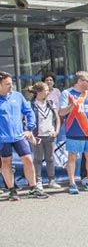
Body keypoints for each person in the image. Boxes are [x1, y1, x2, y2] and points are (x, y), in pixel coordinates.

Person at [0, 71, 46, 199]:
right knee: (6, 162)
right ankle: (12, 191)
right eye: (7, 84)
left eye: (11, 83)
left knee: (28, 160)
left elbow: (29, 112)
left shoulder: (17, 96)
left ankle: (33, 188)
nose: (11, 86)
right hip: (3, 139)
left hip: (19, 136)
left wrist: (29, 129)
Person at [59, 71, 88, 194]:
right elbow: (61, 112)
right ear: (80, 81)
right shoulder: (67, 93)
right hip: (74, 130)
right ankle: (72, 183)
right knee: (72, 156)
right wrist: (71, 106)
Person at [30, 82, 60, 189]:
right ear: (39, 92)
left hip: (50, 135)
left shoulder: (51, 103)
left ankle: (51, 180)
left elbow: (57, 118)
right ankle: (38, 181)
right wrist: (31, 135)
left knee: (50, 158)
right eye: (46, 90)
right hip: (37, 135)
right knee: (37, 159)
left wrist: (56, 131)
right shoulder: (31, 104)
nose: (48, 92)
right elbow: (28, 121)